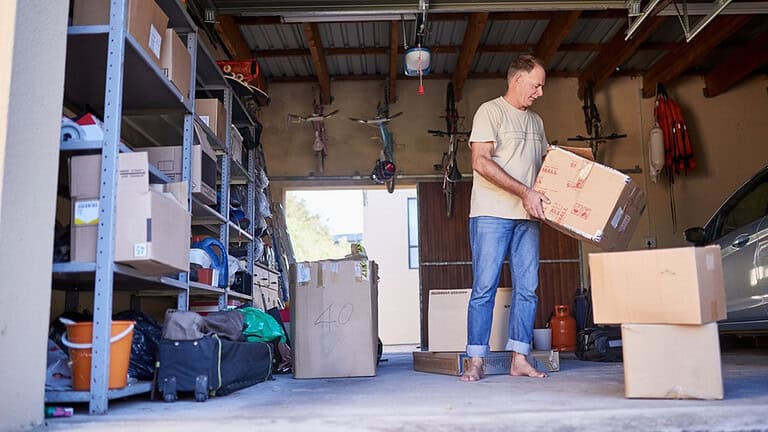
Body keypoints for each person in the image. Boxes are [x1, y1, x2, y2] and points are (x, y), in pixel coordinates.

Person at [460, 54, 550, 382]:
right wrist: (524, 191)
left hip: (528, 216)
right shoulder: (490, 112)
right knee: (484, 287)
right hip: (491, 213)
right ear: (517, 79)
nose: (540, 92)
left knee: (528, 289)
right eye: (536, 85)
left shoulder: (536, 122)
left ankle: (520, 359)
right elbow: (481, 162)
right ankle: (476, 361)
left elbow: (546, 166)